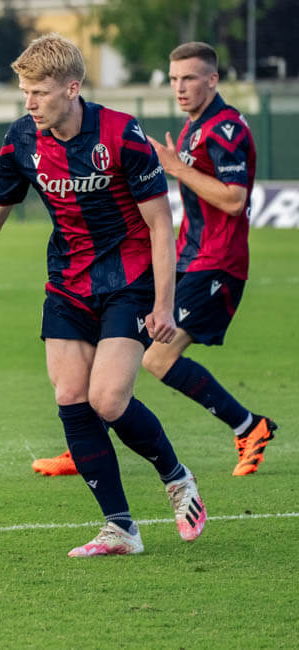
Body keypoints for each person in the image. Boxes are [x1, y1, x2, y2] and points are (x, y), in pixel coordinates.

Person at [0, 34, 205, 557]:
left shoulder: (121, 134)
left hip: (130, 282)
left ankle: (177, 477)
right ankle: (120, 528)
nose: (29, 103)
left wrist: (164, 304)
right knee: (71, 397)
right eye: (24, 92)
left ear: (72, 88)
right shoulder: (21, 139)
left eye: (39, 92)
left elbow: (161, 224)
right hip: (68, 284)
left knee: (107, 400)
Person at [30, 41, 276, 478]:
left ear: (213, 79)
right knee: (115, 344)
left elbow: (234, 199)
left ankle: (248, 426)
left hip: (216, 262)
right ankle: (85, 442)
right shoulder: (194, 128)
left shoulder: (224, 129)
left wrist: (176, 168)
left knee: (156, 358)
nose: (179, 87)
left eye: (189, 78)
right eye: (174, 78)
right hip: (188, 257)